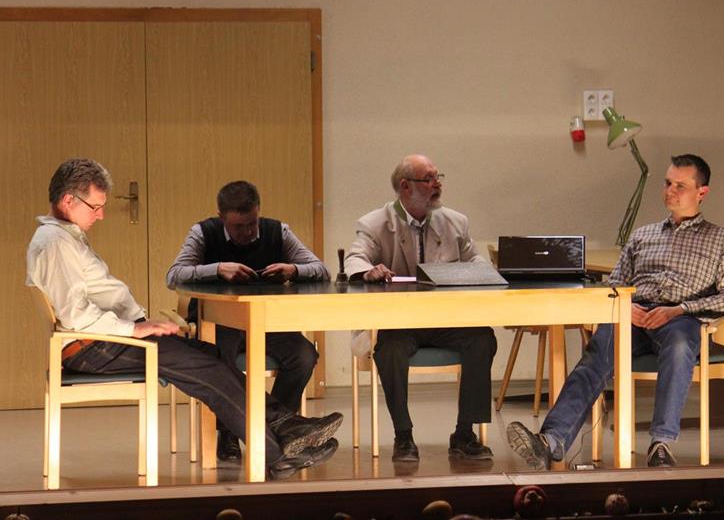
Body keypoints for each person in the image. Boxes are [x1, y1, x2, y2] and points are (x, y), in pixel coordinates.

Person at [26, 158, 343, 479]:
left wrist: (139, 327)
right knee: (210, 369)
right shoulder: (55, 244)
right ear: (69, 200)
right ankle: (280, 450)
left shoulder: (66, 238)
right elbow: (76, 315)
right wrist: (135, 328)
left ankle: (286, 428)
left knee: (212, 356)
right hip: (94, 346)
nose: (101, 215)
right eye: (95, 207)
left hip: (106, 340)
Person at [507, 154, 724, 469]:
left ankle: (661, 444)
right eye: (668, 183)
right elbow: (615, 283)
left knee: (678, 346)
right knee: (598, 351)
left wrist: (679, 310)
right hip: (632, 314)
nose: (670, 191)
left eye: (681, 186)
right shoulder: (643, 235)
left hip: (680, 318)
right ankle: (551, 440)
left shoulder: (722, 238)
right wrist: (625, 306)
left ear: (702, 192)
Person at [344, 154, 497, 462]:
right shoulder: (375, 223)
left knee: (482, 338)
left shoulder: (455, 221)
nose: (437, 184)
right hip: (400, 323)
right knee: (390, 349)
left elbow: (475, 260)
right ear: (405, 187)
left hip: (444, 320)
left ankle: (464, 434)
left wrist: (482, 271)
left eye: (438, 177)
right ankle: (403, 436)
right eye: (429, 179)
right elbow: (355, 258)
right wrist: (368, 271)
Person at [167, 180, 328, 461]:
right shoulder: (203, 232)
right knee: (221, 357)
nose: (247, 232)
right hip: (219, 323)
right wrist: (217, 269)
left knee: (304, 356)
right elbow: (174, 275)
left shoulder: (278, 231)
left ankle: (278, 428)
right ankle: (230, 431)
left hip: (265, 322)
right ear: (222, 218)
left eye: (252, 223)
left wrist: (293, 270)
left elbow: (321, 269)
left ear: (258, 212)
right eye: (238, 227)